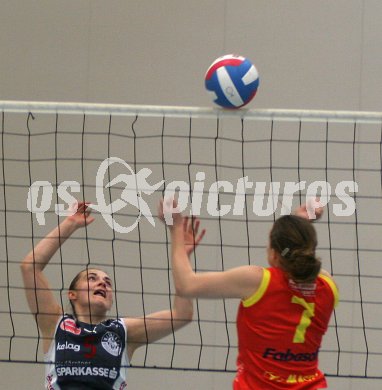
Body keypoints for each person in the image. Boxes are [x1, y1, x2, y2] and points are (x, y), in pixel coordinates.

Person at [20, 201, 204, 390]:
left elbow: (182, 314)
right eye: (92, 278)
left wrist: (182, 254)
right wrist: (70, 224)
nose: (102, 283)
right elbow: (29, 267)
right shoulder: (55, 324)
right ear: (72, 294)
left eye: (108, 283)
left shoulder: (123, 331)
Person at [160, 199, 339, 389]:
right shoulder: (328, 287)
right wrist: (299, 224)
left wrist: (176, 229)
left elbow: (186, 285)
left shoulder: (258, 281)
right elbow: (295, 253)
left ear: (274, 255)